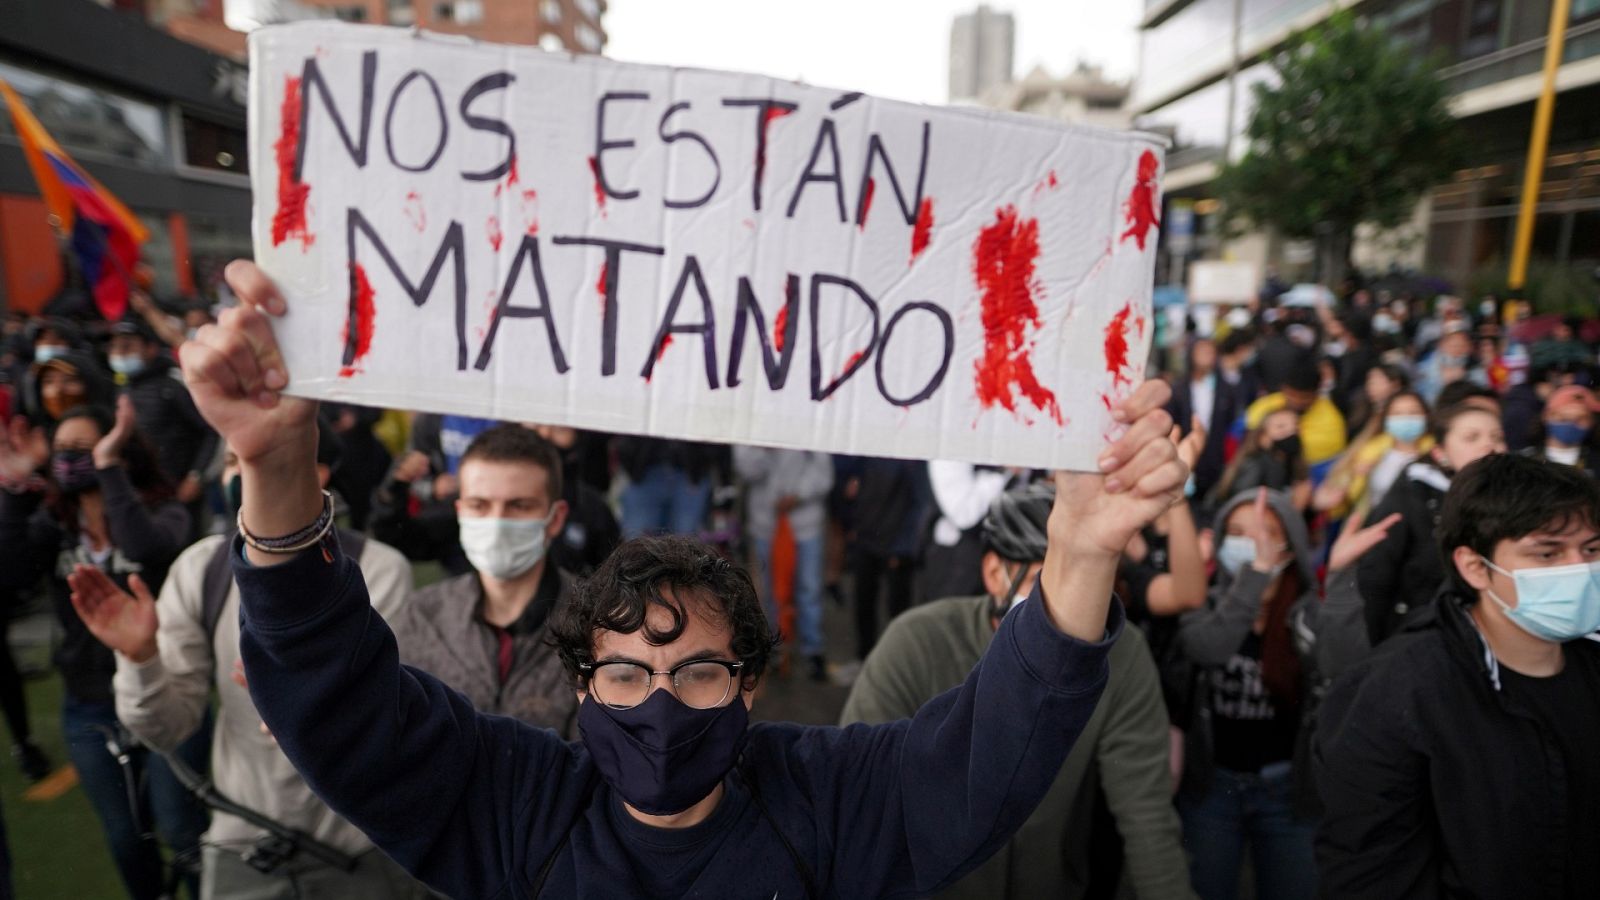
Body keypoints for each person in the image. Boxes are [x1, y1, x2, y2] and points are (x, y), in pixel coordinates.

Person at [179, 259, 1185, 900]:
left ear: (750, 683)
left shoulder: (821, 803)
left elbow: (989, 754)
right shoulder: (521, 806)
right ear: (581, 685)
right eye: (626, 675)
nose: (659, 705)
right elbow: (339, 703)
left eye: (698, 671)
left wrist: (1082, 551)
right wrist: (274, 470)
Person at [71, 440, 433, 899]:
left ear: (317, 474)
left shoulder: (379, 570)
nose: (241, 474)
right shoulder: (203, 569)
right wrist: (141, 659)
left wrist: (308, 708)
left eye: (264, 457)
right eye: (229, 462)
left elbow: (388, 725)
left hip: (359, 846)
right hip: (244, 847)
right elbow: (165, 729)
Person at [840, 483, 1195, 900]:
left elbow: (1147, 817)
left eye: (1090, 579)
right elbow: (858, 800)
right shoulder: (916, 643)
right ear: (994, 575)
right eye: (1046, 580)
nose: (1073, 602)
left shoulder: (1124, 655)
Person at [1315, 453, 1600, 898]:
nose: (1578, 570)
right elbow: (1373, 873)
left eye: (1592, 550)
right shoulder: (1397, 692)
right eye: (1547, 553)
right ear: (1475, 567)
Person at [0, 399, 208, 900]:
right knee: (125, 837)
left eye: (87, 448)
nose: (72, 458)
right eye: (64, 449)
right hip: (90, 703)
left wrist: (110, 472)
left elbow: (146, 550)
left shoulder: (165, 510)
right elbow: (9, 576)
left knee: (182, 831)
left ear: (120, 452)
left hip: (167, 689)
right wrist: (10, 488)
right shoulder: (53, 525)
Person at [1175, 488, 1329, 900]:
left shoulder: (1308, 615)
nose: (1249, 543)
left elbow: (1344, 671)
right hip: (1213, 788)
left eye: (1265, 533)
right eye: (1238, 532)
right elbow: (1208, 649)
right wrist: (1255, 576)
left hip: (1287, 794)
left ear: (1289, 548)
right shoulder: (1202, 601)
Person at [392, 424, 583, 734]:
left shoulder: (597, 625)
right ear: (459, 511)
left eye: (519, 506)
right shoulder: (422, 615)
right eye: (479, 505)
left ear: (556, 518)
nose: (496, 522)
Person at [1357, 402, 1507, 645]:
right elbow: (1376, 578)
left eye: (1497, 437)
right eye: (1471, 437)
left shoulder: (1516, 502)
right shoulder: (1412, 496)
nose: (1489, 445)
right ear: (1440, 453)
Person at [107, 319, 220, 536]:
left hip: (180, 491)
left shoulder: (173, 385)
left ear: (150, 348)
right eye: (114, 347)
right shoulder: (121, 390)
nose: (119, 353)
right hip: (142, 495)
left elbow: (209, 431)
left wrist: (196, 477)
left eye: (127, 346)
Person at [733, 446, 834, 681]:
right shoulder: (755, 425)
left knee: (808, 589)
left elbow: (824, 474)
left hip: (806, 524)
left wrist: (797, 496)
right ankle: (774, 647)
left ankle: (813, 649)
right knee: (769, 593)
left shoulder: (814, 418)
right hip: (766, 526)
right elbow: (747, 469)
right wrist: (765, 449)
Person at [1313, 391, 1431, 519]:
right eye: (1398, 414)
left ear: (1426, 415)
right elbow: (1337, 497)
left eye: (1413, 413)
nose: (1406, 419)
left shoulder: (1437, 453)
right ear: (1386, 419)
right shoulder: (1369, 454)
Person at [1242, 354, 1347, 480]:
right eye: (1291, 395)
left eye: (1303, 398)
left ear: (1316, 393)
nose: (1296, 402)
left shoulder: (1331, 423)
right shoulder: (1265, 405)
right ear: (1283, 389)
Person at [1168, 337, 1241, 502]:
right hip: (1187, 453)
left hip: (1216, 457)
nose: (1206, 356)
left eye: (1210, 352)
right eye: (1202, 351)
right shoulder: (1179, 388)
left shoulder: (1227, 389)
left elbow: (1231, 423)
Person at [1210, 408, 1309, 511]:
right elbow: (1244, 508)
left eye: (1296, 427)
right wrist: (1296, 507)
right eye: (1281, 427)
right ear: (1263, 436)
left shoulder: (1289, 466)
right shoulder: (1254, 464)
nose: (1291, 431)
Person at [1526, 384, 1600, 477]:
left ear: (1591, 422)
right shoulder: (1526, 461)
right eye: (1564, 418)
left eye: (1579, 419)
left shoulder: (1596, 463)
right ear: (1546, 416)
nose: (1571, 425)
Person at [1414, 322, 1476, 405]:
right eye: (1453, 345)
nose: (1457, 350)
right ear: (1441, 344)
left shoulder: (1476, 370)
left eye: (1461, 345)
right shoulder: (1422, 369)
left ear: (1469, 347)